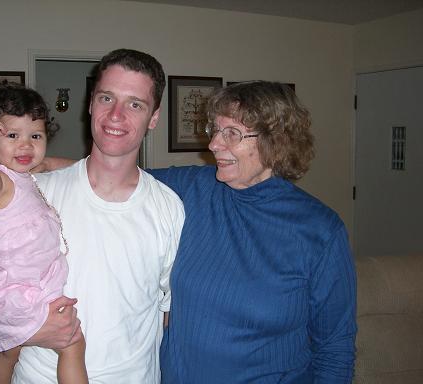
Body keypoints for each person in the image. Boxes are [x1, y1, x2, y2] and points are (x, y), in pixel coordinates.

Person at [149, 81, 357, 383]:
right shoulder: (193, 188)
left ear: (276, 142)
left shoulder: (320, 231)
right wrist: (52, 168)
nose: (213, 145)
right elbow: (114, 177)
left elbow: (335, 350)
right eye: (215, 130)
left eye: (232, 133)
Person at [12, 49, 185, 383]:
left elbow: (165, 309)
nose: (116, 115)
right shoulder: (34, 193)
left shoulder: (168, 208)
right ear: (90, 103)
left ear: (154, 117)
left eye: (135, 104)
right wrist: (27, 330)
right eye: (107, 98)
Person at [0, 82, 88, 384]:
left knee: (9, 354)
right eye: (12, 135)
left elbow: (64, 166)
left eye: (35, 136)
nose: (26, 145)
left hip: (25, 280)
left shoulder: (24, 174)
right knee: (73, 342)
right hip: (19, 288)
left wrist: (94, 169)